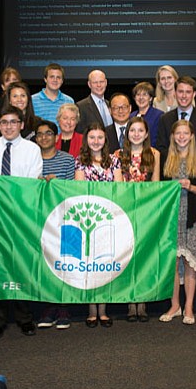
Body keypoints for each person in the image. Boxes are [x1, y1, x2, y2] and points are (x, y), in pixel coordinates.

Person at [0, 106, 43, 340]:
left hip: (20, 213)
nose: (8, 126)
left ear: (22, 124)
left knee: (22, 262)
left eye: (13, 122)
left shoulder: (32, 149)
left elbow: (33, 184)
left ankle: (25, 318)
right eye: (4, 122)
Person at [74, 123, 123, 327]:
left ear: (105, 140)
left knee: (104, 265)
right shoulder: (79, 161)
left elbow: (119, 189)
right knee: (89, 265)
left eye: (100, 137)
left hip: (109, 218)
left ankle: (103, 310)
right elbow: (79, 189)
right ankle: (91, 310)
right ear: (87, 140)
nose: (96, 141)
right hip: (88, 218)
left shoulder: (114, 161)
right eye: (92, 137)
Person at [159, 120, 196, 325]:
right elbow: (158, 189)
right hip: (171, 217)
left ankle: (189, 307)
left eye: (185, 133)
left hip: (191, 216)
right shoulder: (166, 158)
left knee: (189, 262)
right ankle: (175, 305)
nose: (181, 137)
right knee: (172, 263)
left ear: (192, 135)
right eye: (178, 133)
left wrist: (191, 186)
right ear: (172, 136)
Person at [116, 116, 160, 322]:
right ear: (127, 133)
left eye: (140, 130)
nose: (136, 134)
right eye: (132, 130)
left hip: (145, 213)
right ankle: (129, 301)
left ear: (146, 133)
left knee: (143, 256)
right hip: (124, 212)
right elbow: (116, 187)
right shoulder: (117, 155)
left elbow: (156, 184)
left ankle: (141, 302)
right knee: (127, 256)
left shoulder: (154, 154)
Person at [35, 120, 76, 330]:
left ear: (56, 136)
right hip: (38, 220)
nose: (44, 137)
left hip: (63, 219)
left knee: (63, 263)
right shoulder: (31, 160)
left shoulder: (68, 160)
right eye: (40, 134)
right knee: (44, 264)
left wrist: (56, 185)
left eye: (48, 133)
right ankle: (48, 307)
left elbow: (71, 190)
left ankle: (63, 307)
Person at [155, 76, 196, 154]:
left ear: (194, 94)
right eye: (180, 91)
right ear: (175, 93)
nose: (184, 96)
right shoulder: (165, 119)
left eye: (188, 92)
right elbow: (161, 147)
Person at [30, 63, 74, 127]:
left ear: (62, 81)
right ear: (45, 79)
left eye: (58, 77)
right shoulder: (32, 100)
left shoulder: (69, 101)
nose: (55, 80)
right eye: (52, 77)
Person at [130, 81, 163, 147]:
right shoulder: (131, 116)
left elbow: (158, 140)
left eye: (145, 94)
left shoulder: (159, 115)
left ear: (150, 98)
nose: (141, 98)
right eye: (138, 94)